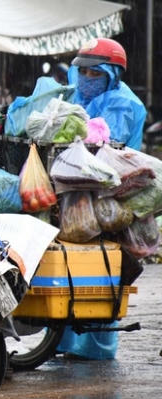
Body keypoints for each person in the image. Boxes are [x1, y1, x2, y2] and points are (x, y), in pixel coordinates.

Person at [56, 38, 146, 360]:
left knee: (101, 270)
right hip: (77, 190)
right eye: (83, 71)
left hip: (111, 194)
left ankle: (96, 347)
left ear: (112, 75)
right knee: (70, 268)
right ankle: (62, 341)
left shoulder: (123, 104)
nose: (87, 78)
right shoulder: (76, 98)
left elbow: (109, 144)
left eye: (95, 73)